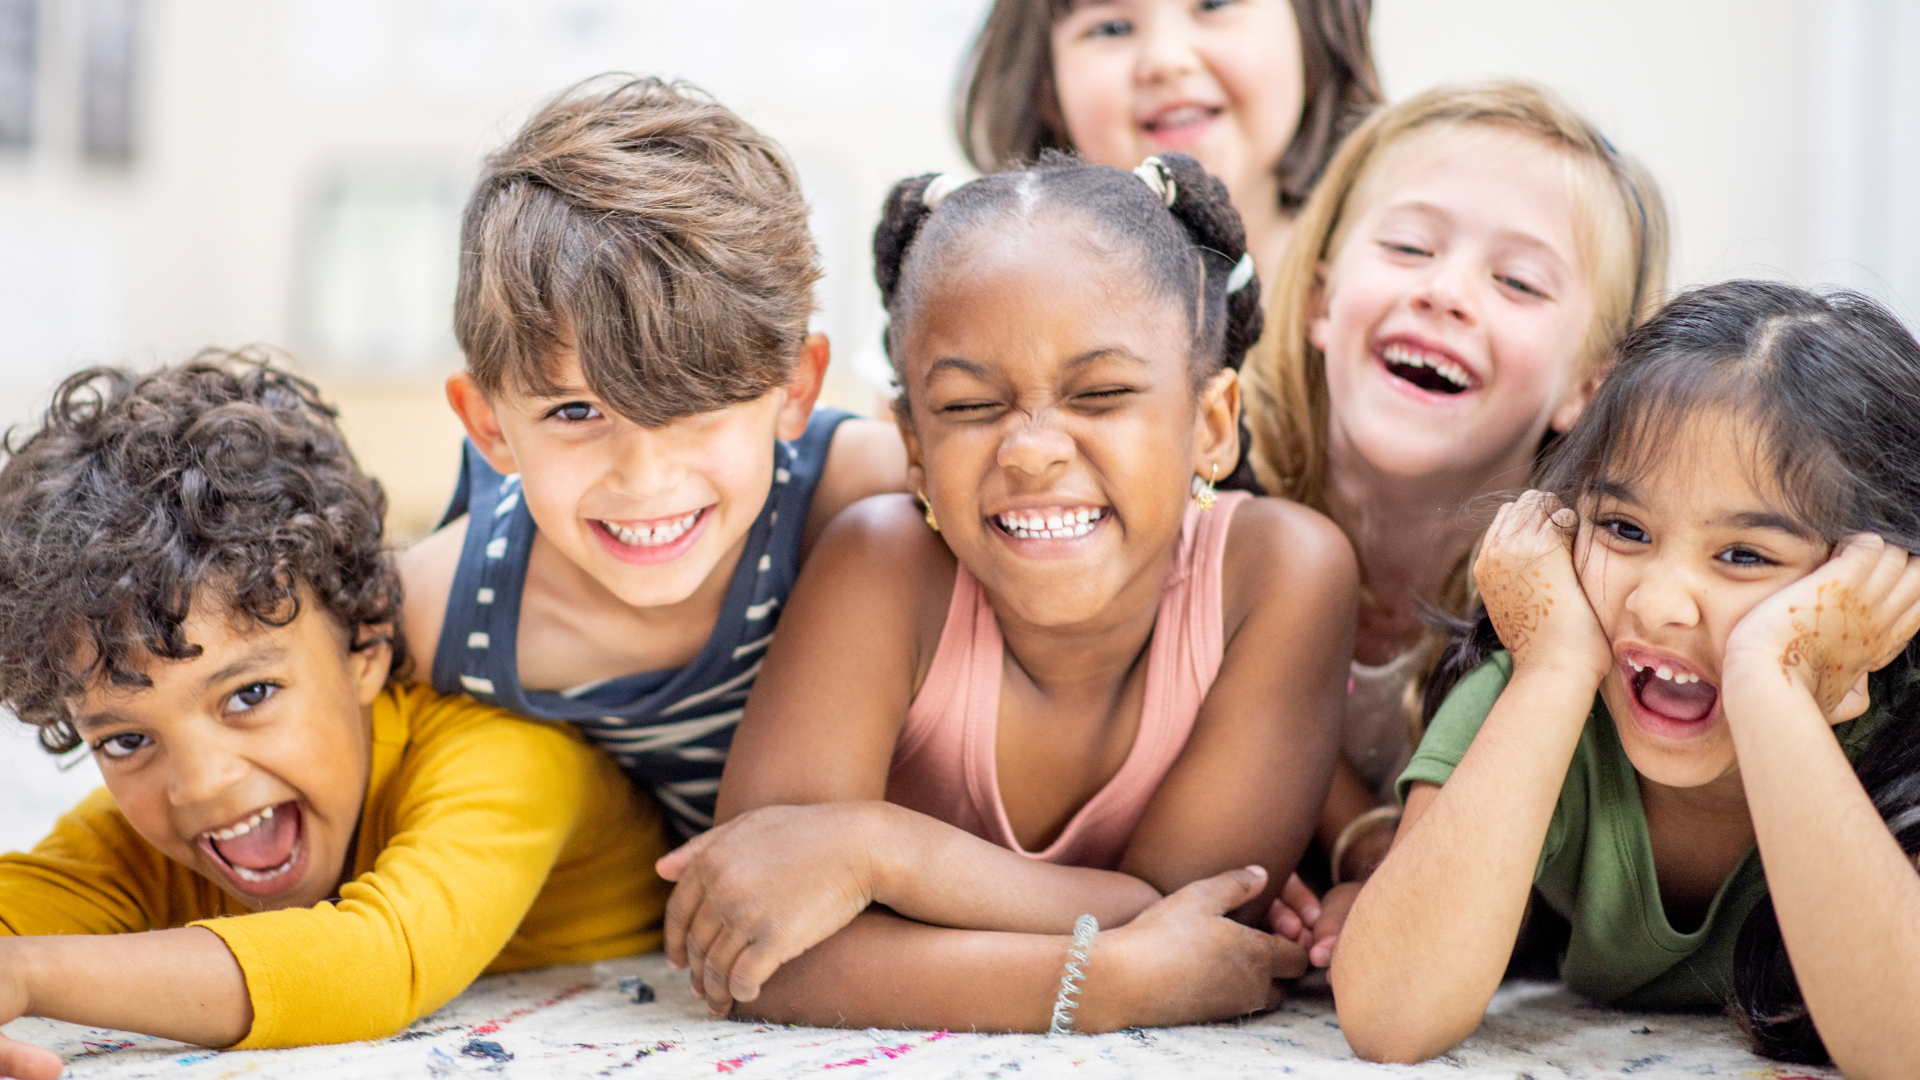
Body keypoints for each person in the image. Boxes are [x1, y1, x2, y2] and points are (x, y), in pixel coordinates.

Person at [655, 152, 1357, 1032]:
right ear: (911, 445)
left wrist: (884, 855)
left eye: (1100, 394)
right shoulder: (881, 568)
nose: (1030, 449)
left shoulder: (1281, 575)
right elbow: (752, 939)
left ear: (1211, 426)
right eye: (969, 407)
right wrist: (1102, 984)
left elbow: (1200, 917)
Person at [0, 358, 669, 1080]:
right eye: (128, 740)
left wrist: (33, 973)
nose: (200, 785)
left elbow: (375, 962)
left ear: (366, 644)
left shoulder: (508, 754)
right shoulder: (142, 844)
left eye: (249, 695)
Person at [1332, 281, 1920, 1076]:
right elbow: (1388, 1016)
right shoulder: (1541, 686)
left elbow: (1904, 1045)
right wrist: (1557, 670)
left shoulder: (1901, 728)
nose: (1660, 602)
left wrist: (1770, 690)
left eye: (1745, 556)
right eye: (1624, 529)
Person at [398, 76, 906, 841]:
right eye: (576, 411)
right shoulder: (446, 612)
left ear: (796, 388)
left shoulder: (865, 494)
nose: (644, 477)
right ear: (489, 424)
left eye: (697, 406)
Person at [1241, 82, 1670, 955]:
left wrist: (1389, 872)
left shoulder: (1582, 594)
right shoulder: (1215, 486)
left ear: (1589, 384)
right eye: (1407, 246)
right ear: (1321, 300)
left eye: (1516, 281)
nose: (1445, 292)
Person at [956, 0, 1378, 281]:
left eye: (1214, 3)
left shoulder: (1383, 286)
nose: (1165, 60)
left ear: (1312, 36)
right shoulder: (1008, 305)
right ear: (1045, 89)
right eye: (1112, 28)